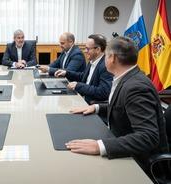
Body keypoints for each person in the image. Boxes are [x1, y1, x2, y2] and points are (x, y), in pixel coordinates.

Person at [65, 36, 168, 175]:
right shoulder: (127, 77)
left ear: (112, 58)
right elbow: (123, 106)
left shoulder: (136, 87)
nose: (104, 59)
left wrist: (100, 146)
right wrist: (97, 108)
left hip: (139, 164)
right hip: (120, 140)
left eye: (106, 55)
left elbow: (148, 136)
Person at [55, 34, 113, 104]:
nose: (85, 51)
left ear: (98, 49)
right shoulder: (92, 60)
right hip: (83, 99)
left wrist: (78, 86)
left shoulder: (105, 66)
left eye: (88, 49)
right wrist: (66, 73)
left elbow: (103, 92)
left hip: (92, 105)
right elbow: (83, 76)